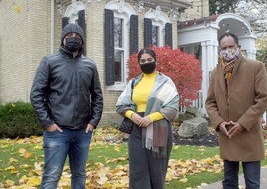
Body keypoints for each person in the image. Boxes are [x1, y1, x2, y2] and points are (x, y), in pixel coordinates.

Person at [30, 23, 103, 188]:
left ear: (82, 40)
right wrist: (48, 124)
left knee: (79, 176)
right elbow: (36, 94)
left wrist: (93, 122)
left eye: (77, 36)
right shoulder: (49, 62)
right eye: (69, 36)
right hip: (58, 132)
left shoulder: (90, 65)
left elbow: (97, 95)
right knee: (51, 177)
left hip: (83, 133)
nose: (73, 39)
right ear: (63, 39)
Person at [205, 32, 267, 189]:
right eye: (224, 48)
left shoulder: (255, 67)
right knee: (229, 183)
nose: (227, 50)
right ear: (219, 50)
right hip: (227, 135)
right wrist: (219, 123)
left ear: (238, 47)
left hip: (249, 134)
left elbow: (263, 98)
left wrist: (242, 123)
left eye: (231, 47)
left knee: (252, 184)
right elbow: (210, 102)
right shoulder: (216, 72)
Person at [116, 48, 179, 189]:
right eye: (143, 61)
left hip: (158, 127)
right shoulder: (134, 83)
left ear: (155, 60)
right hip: (136, 127)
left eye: (149, 60)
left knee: (157, 170)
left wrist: (151, 118)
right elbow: (121, 105)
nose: (146, 63)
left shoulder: (166, 82)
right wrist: (132, 115)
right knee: (138, 170)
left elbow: (173, 107)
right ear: (139, 63)